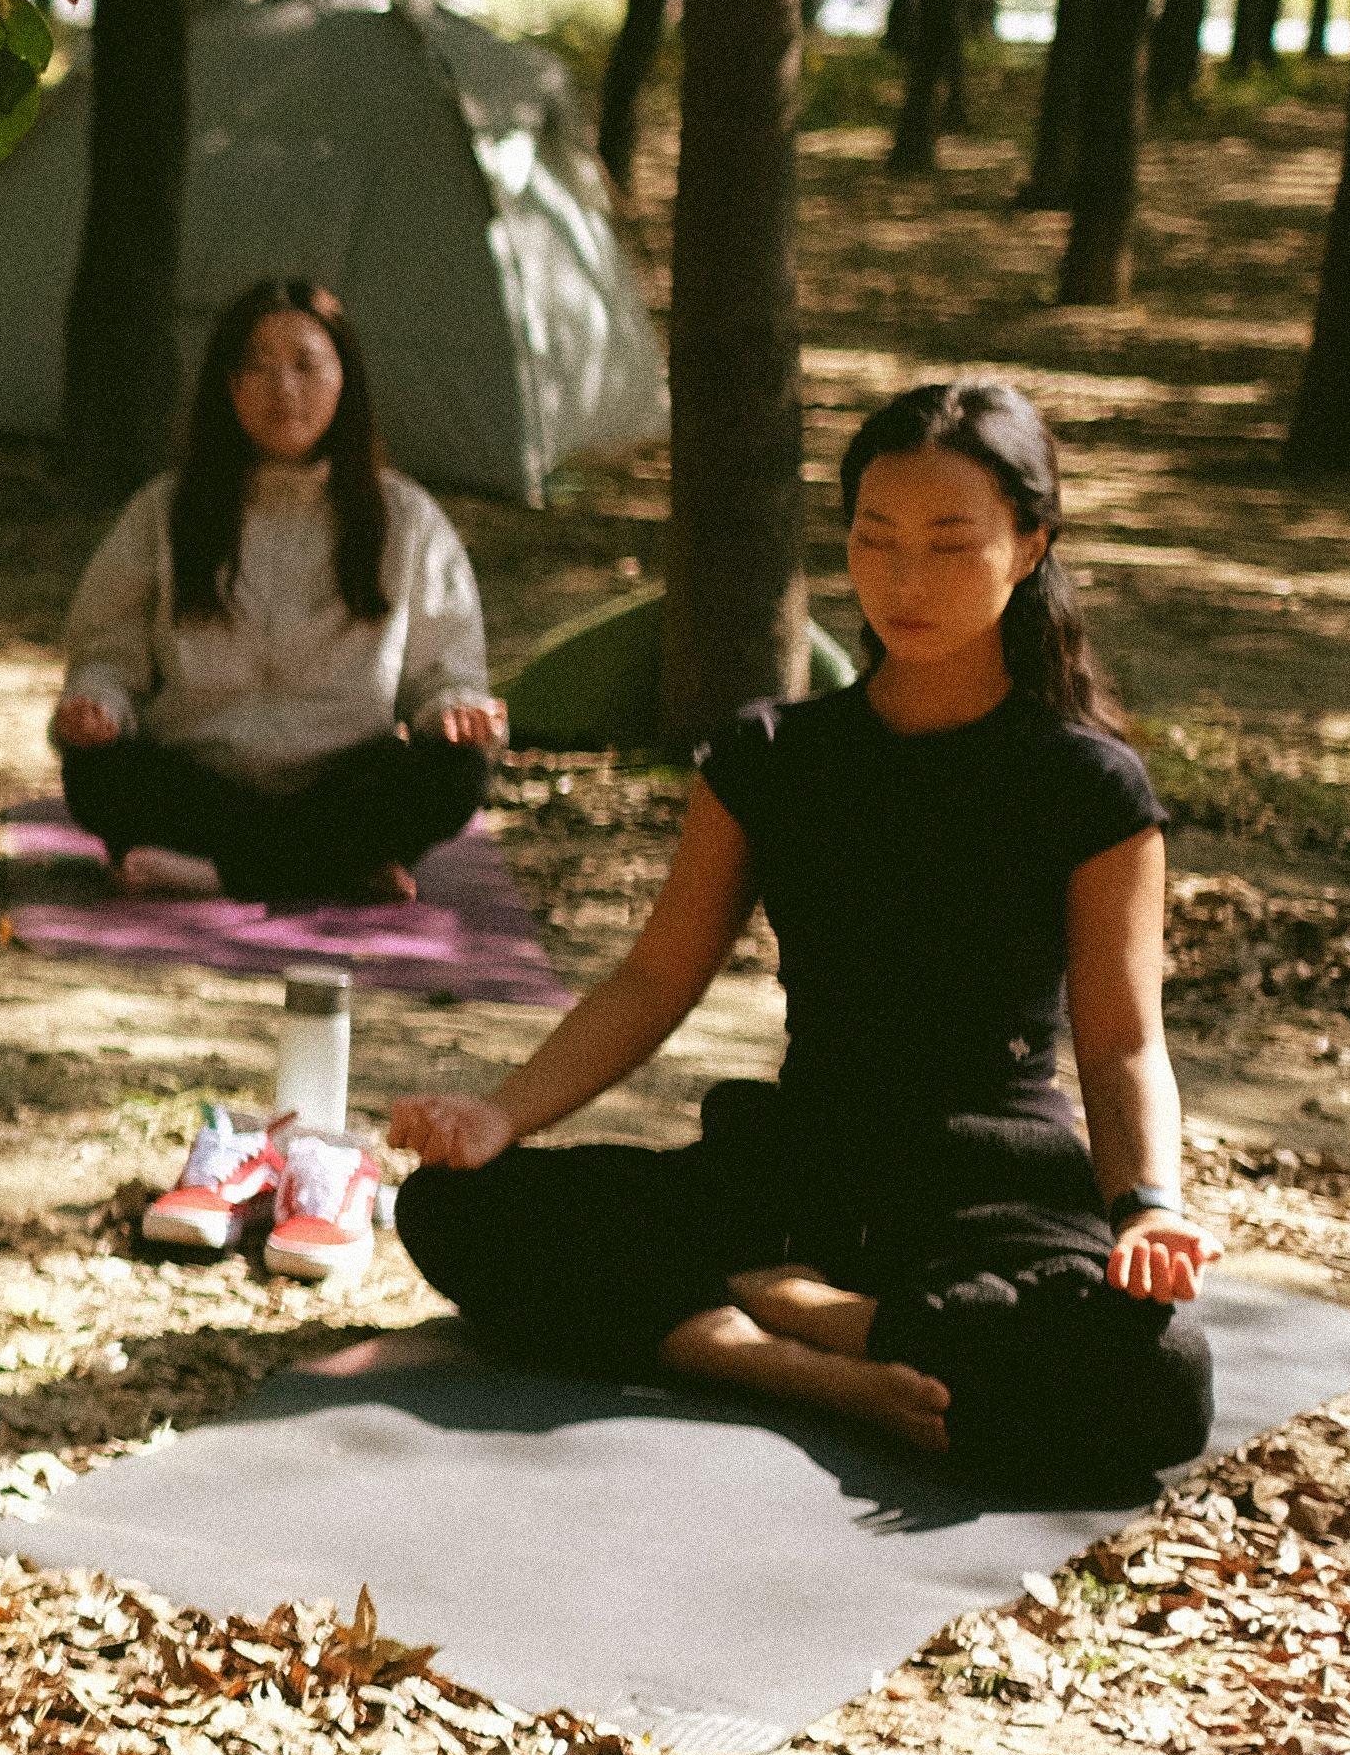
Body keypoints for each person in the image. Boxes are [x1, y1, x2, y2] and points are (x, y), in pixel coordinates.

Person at [386, 379, 1216, 1500]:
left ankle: (810, 1311)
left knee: (1162, 1375)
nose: (902, 580)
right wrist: (500, 1113)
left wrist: (1147, 1207)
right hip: (794, 1167)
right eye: (874, 540)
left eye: (947, 543)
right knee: (451, 1205)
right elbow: (654, 977)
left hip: (988, 1186)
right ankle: (792, 1364)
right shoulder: (772, 754)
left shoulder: (1087, 785)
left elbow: (1122, 1045)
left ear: (1030, 547)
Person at [50, 276, 504, 902]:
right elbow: (107, 656)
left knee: (455, 774)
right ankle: (333, 868)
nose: (284, 390)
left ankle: (213, 874)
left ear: (345, 379)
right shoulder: (168, 509)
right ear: (228, 386)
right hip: (197, 778)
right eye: (259, 369)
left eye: (306, 365)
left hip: (342, 782)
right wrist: (96, 705)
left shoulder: (406, 517)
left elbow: (443, 671)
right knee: (97, 775)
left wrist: (454, 710)